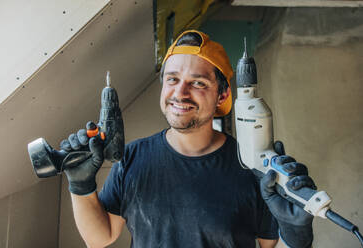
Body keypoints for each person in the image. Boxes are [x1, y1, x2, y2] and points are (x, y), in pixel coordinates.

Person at [61, 30, 315, 248]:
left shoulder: (252, 166)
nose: (180, 93)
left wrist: (297, 233)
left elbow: (269, 245)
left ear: (223, 95)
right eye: (172, 79)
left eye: (198, 83)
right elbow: (100, 238)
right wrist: (80, 186)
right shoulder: (133, 158)